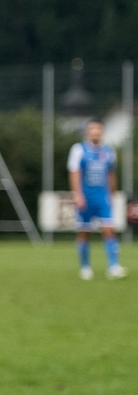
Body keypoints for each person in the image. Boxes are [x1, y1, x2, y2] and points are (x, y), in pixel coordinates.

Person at [69, 119, 126, 280]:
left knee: (109, 230)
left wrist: (112, 195)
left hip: (103, 198)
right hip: (85, 198)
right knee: (84, 232)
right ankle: (85, 267)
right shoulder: (79, 149)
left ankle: (113, 266)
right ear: (88, 132)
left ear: (102, 132)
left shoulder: (109, 151)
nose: (95, 132)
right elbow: (74, 172)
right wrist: (77, 194)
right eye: (92, 129)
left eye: (98, 129)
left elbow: (111, 174)